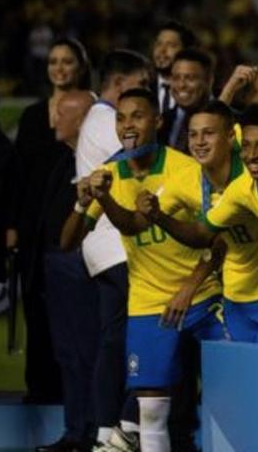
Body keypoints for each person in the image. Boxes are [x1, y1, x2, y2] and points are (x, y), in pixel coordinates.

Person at [61, 89, 224, 452]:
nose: (128, 125)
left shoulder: (186, 170)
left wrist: (189, 288)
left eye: (137, 116)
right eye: (121, 118)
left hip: (202, 297)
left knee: (231, 389)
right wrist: (82, 203)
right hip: (148, 304)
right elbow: (68, 242)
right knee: (150, 411)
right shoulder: (109, 175)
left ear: (158, 121)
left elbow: (219, 241)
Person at [148, 104, 258, 343]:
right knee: (243, 365)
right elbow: (203, 235)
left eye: (208, 133)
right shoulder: (239, 191)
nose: (252, 154)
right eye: (193, 134)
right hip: (235, 295)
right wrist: (157, 216)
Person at [73, 49, 151, 451]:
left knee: (114, 338)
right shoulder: (107, 120)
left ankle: (106, 432)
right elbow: (135, 157)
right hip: (117, 245)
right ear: (120, 84)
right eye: (142, 83)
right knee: (149, 332)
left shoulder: (95, 119)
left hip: (102, 248)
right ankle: (128, 424)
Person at [10, 36, 89, 405]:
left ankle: (73, 395)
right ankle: (39, 390)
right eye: (53, 61)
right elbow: (18, 176)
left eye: (67, 61)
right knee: (35, 308)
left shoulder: (92, 113)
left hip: (73, 226)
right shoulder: (31, 116)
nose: (59, 68)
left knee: (72, 315)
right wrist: (13, 226)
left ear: (81, 67)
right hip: (32, 228)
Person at [36, 91, 97, 452]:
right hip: (58, 266)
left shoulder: (91, 164)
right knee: (69, 353)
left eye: (63, 113)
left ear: (82, 120)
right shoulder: (62, 161)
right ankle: (76, 430)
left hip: (78, 266)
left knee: (85, 351)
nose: (55, 118)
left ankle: (90, 430)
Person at [159, 48, 215, 152]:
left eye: (190, 78)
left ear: (209, 81)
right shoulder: (161, 122)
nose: (181, 85)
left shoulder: (232, 122)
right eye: (176, 78)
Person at [150, 22, 195, 115]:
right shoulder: (144, 86)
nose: (162, 50)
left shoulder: (195, 92)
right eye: (158, 44)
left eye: (171, 45)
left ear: (186, 51)